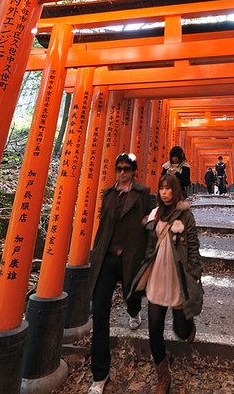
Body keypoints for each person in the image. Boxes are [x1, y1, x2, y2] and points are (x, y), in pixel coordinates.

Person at [130, 174, 203, 394]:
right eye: (161, 188)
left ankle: (188, 326)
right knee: (154, 330)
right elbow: (148, 245)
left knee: (180, 331)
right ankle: (163, 375)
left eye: (168, 188)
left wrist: (195, 272)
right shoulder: (154, 214)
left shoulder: (186, 215)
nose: (164, 192)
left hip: (177, 277)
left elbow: (193, 246)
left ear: (176, 190)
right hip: (157, 277)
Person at [88, 153, 154, 394]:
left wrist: (148, 253)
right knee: (100, 312)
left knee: (132, 293)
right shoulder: (108, 194)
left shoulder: (143, 193)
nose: (122, 173)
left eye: (127, 169)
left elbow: (151, 226)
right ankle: (100, 374)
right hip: (106, 258)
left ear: (134, 171)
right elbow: (103, 225)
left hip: (130, 255)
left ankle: (134, 311)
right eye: (119, 169)